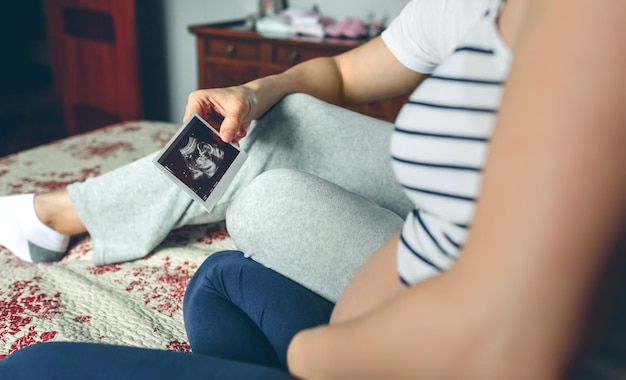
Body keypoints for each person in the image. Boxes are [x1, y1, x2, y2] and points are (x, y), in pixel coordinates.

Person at [1, 0, 626, 378]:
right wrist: (260, 90)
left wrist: (312, 355)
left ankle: (61, 214)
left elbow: (510, 346)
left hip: (524, 270)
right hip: (467, 215)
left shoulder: (590, 28)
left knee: (262, 203)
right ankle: (64, 212)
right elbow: (344, 70)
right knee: (277, 121)